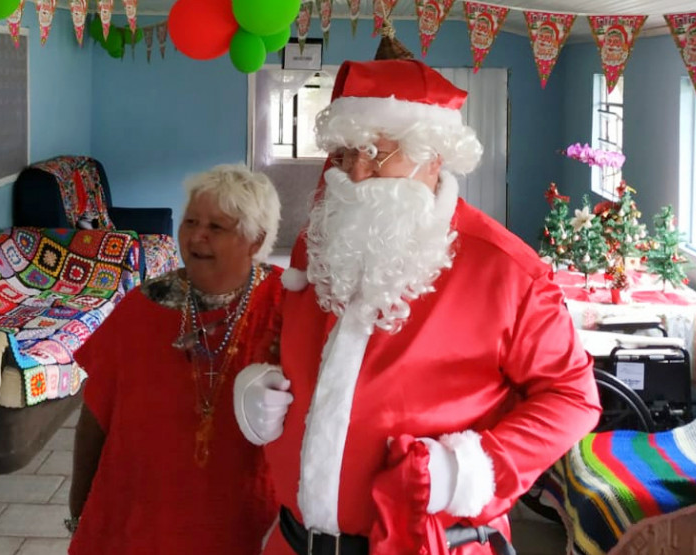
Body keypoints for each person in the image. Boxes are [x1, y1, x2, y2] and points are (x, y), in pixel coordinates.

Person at [233, 59, 602, 555]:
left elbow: (573, 397)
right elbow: (283, 336)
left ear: (433, 155)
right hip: (292, 542)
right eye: (344, 154)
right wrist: (255, 382)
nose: (355, 174)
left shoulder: (509, 272)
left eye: (375, 154)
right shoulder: (318, 240)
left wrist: (470, 469)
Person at [68, 164, 283, 554]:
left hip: (245, 514)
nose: (197, 236)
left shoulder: (286, 308)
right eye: (191, 222)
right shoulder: (142, 306)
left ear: (255, 241)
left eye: (216, 227)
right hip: (145, 517)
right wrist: (79, 508)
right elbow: (95, 415)